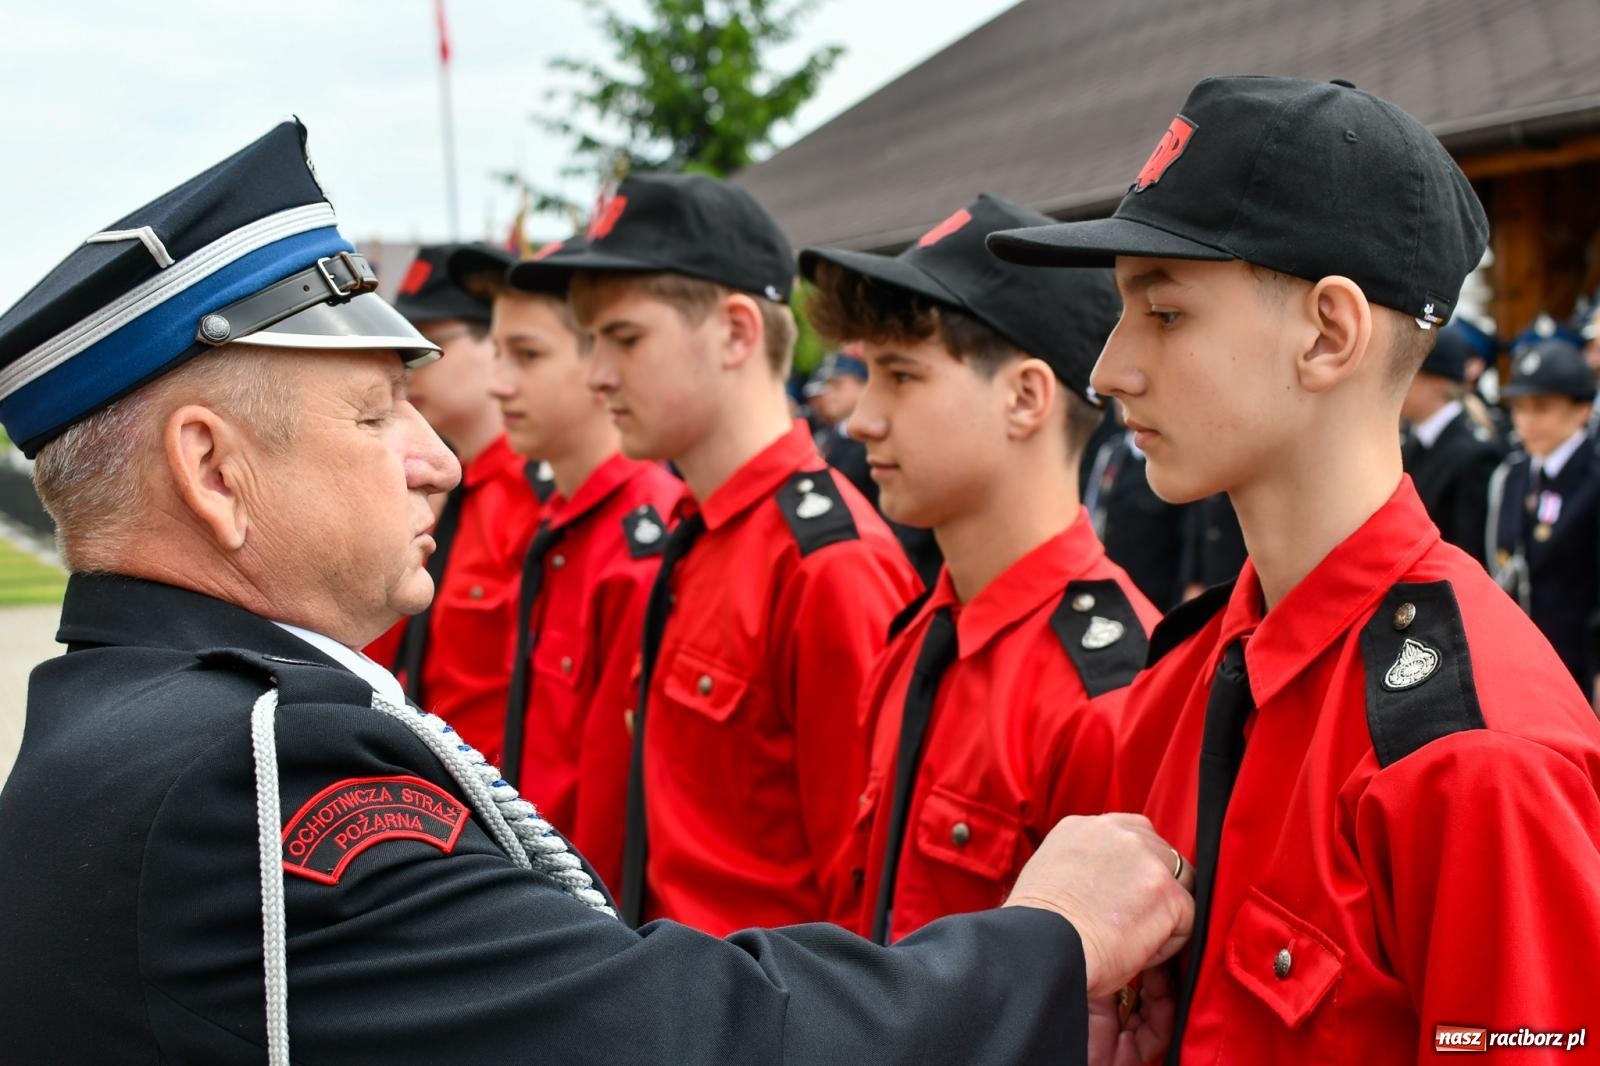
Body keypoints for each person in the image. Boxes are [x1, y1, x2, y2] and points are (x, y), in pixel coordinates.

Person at [0, 120, 1195, 1066]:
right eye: (372, 415)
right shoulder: (249, 771)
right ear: (213, 472)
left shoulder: (142, 719)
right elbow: (675, 1025)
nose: (445, 458)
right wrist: (1044, 947)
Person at [989, 75, 1600, 1063]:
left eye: (1166, 312)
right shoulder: (1180, 684)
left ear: (1328, 331)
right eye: (1120, 312)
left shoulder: (1471, 759)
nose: (1107, 369)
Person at [516, 172, 922, 936]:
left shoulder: (828, 567)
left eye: (626, 338)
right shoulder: (700, 535)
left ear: (738, 332)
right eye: (593, 342)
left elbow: (860, 908)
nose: (599, 373)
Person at [801, 193, 1162, 943]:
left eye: (901, 377)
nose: (863, 419)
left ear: (1026, 398)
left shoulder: (1109, 699)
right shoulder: (923, 633)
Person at [456, 240, 681, 894]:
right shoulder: (558, 520)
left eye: (527, 356)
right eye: (498, 354)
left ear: (602, 363)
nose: (499, 383)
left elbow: (615, 811)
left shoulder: (643, 542)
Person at [365, 242, 545, 762]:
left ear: (498, 344)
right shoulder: (427, 485)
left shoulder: (541, 501)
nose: (412, 367)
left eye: (433, 343)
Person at [1488, 336, 1600, 698]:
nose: (1527, 421)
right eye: (1520, 408)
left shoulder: (1592, 478)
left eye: (1542, 407)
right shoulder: (1513, 474)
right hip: (1522, 661)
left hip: (1579, 666)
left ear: (1582, 409)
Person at [1400, 321, 1504, 566]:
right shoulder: (1414, 443)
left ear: (1438, 382)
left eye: (1407, 374)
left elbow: (1467, 552)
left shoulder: (1472, 454)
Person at [1085, 411, 1195, 610]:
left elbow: (1191, 534)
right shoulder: (1113, 451)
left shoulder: (1177, 459)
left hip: (1158, 600)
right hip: (1110, 592)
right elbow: (1094, 511)